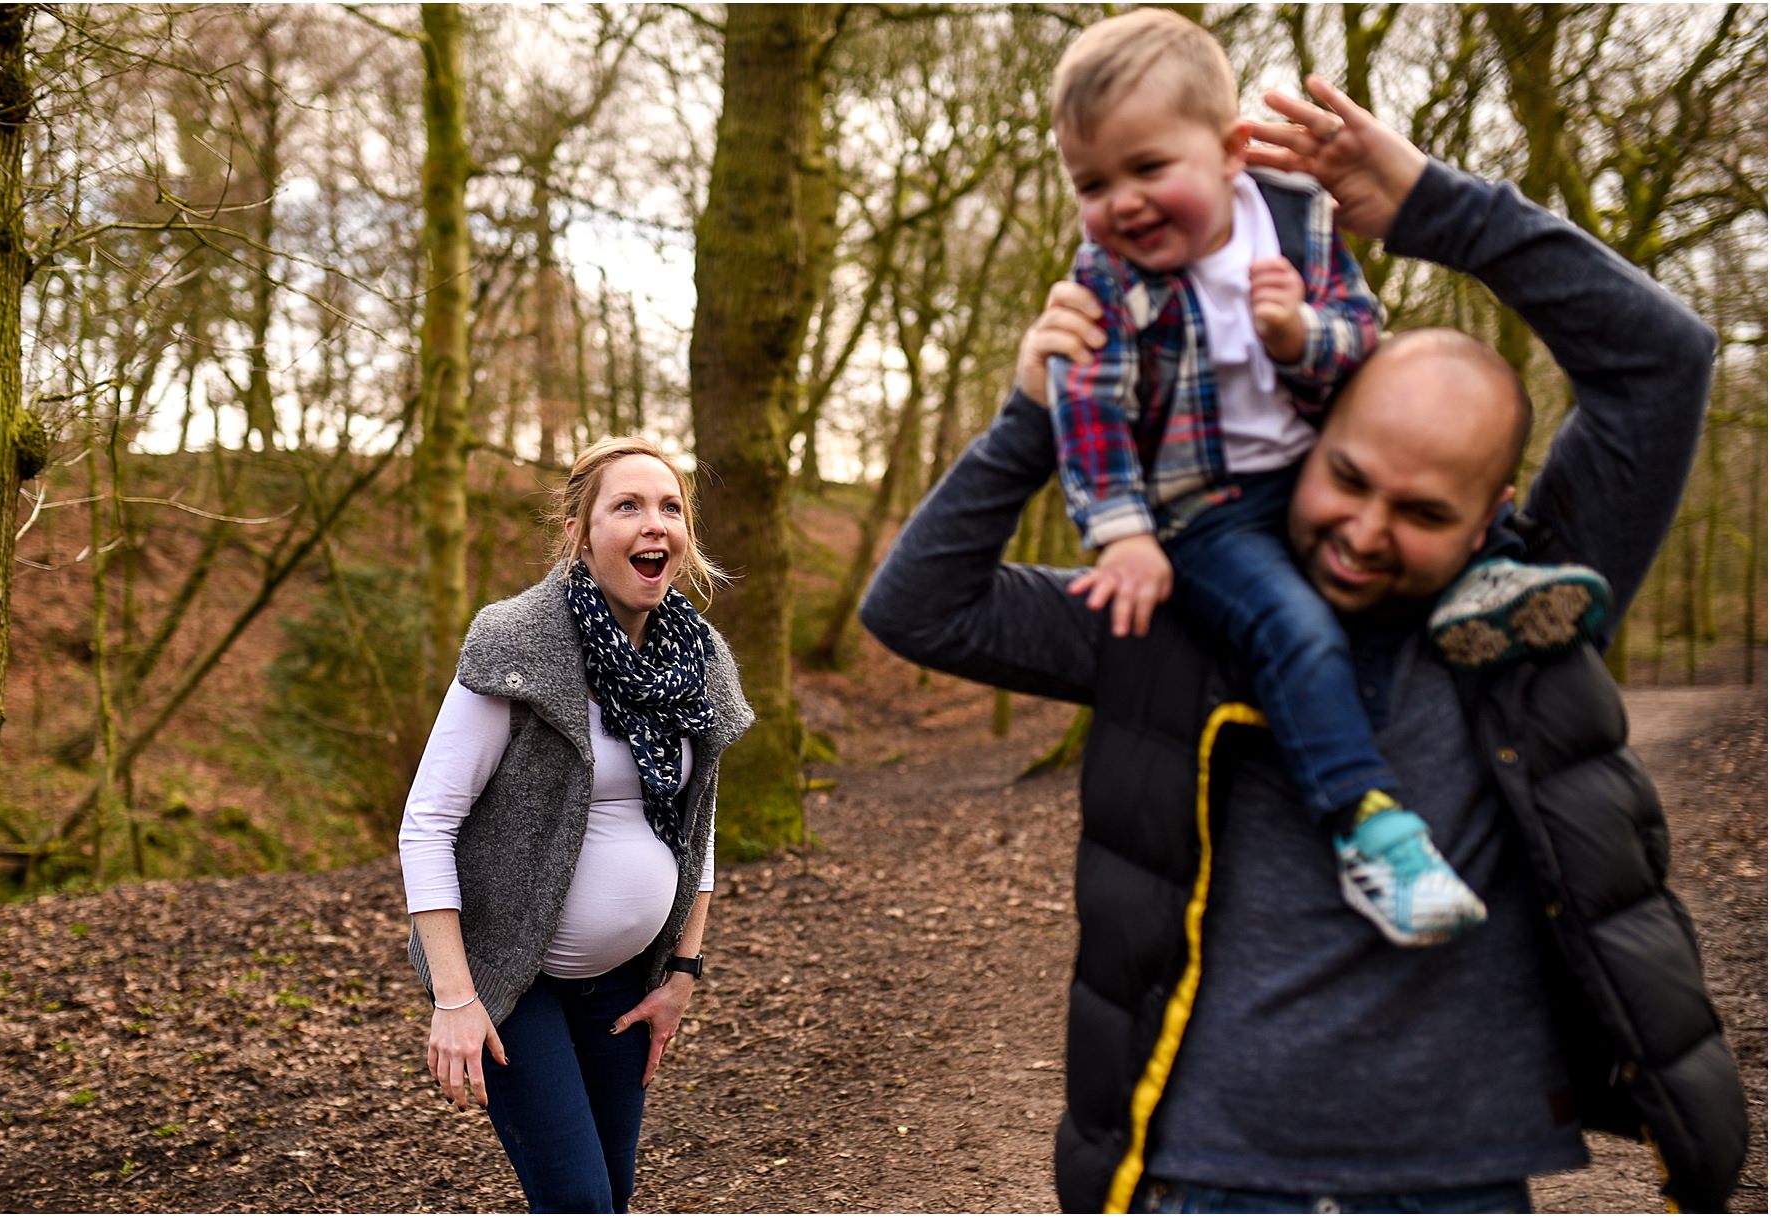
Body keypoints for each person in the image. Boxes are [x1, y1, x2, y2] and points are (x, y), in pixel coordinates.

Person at [860, 75, 1746, 1214]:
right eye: (1347, 478)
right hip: (1212, 1163)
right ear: (1310, 432)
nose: (1364, 534)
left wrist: (1434, 206)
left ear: (1488, 519)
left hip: (1458, 1165)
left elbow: (1662, 358)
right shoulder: (1172, 608)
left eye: (1422, 515)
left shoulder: (1529, 601)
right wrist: (1038, 413)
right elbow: (919, 606)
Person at [1045, 7, 1613, 948]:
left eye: (1149, 169)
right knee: (1296, 628)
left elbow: (1363, 339)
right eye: (1092, 183)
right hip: (1207, 512)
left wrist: (1298, 335)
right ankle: (1373, 833)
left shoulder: (1297, 217)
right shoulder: (1105, 275)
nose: (1123, 203)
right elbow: (1091, 409)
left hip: (1315, 472)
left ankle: (1493, 582)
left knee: (1428, 463)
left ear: (1230, 151)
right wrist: (1124, 533)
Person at [398, 436, 753, 1213]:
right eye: (627, 505)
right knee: (579, 1202)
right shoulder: (520, 642)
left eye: (670, 506)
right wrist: (457, 997)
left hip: (625, 988)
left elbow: (701, 825)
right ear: (580, 531)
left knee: (611, 1195)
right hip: (515, 984)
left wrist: (683, 974)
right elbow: (426, 824)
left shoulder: (697, 658)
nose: (653, 523)